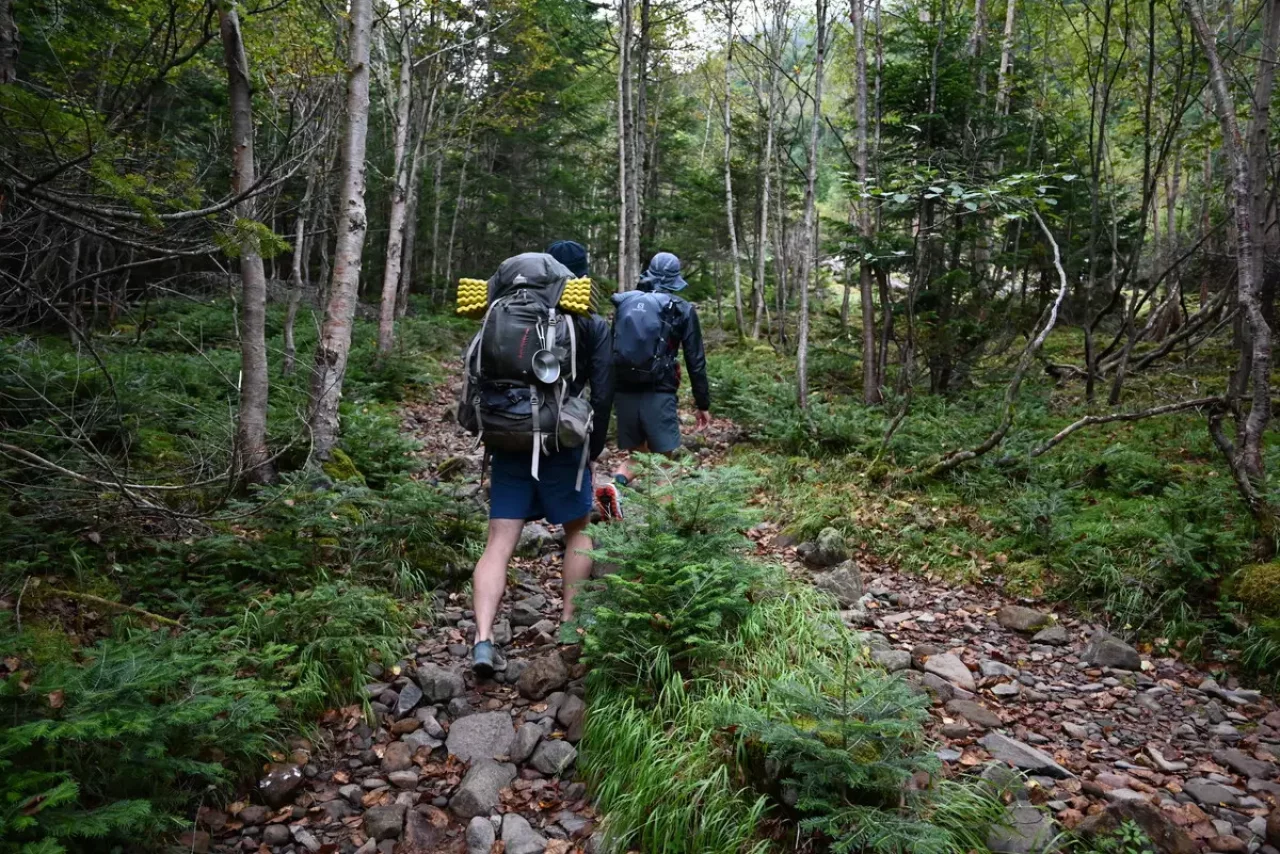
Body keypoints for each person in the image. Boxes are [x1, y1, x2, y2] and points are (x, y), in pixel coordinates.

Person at [470, 241, 612, 678]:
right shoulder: (591, 322)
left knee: (499, 541)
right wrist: (595, 447)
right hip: (562, 439)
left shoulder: (502, 310)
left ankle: (482, 639)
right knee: (578, 530)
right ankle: (569, 624)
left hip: (506, 432)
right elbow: (604, 391)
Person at [596, 251, 710, 520]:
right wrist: (702, 403)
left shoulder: (625, 303)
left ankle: (614, 486)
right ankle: (661, 532)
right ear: (675, 278)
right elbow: (696, 360)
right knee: (662, 464)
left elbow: (611, 351)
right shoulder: (682, 308)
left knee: (637, 457)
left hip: (624, 393)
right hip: (659, 394)